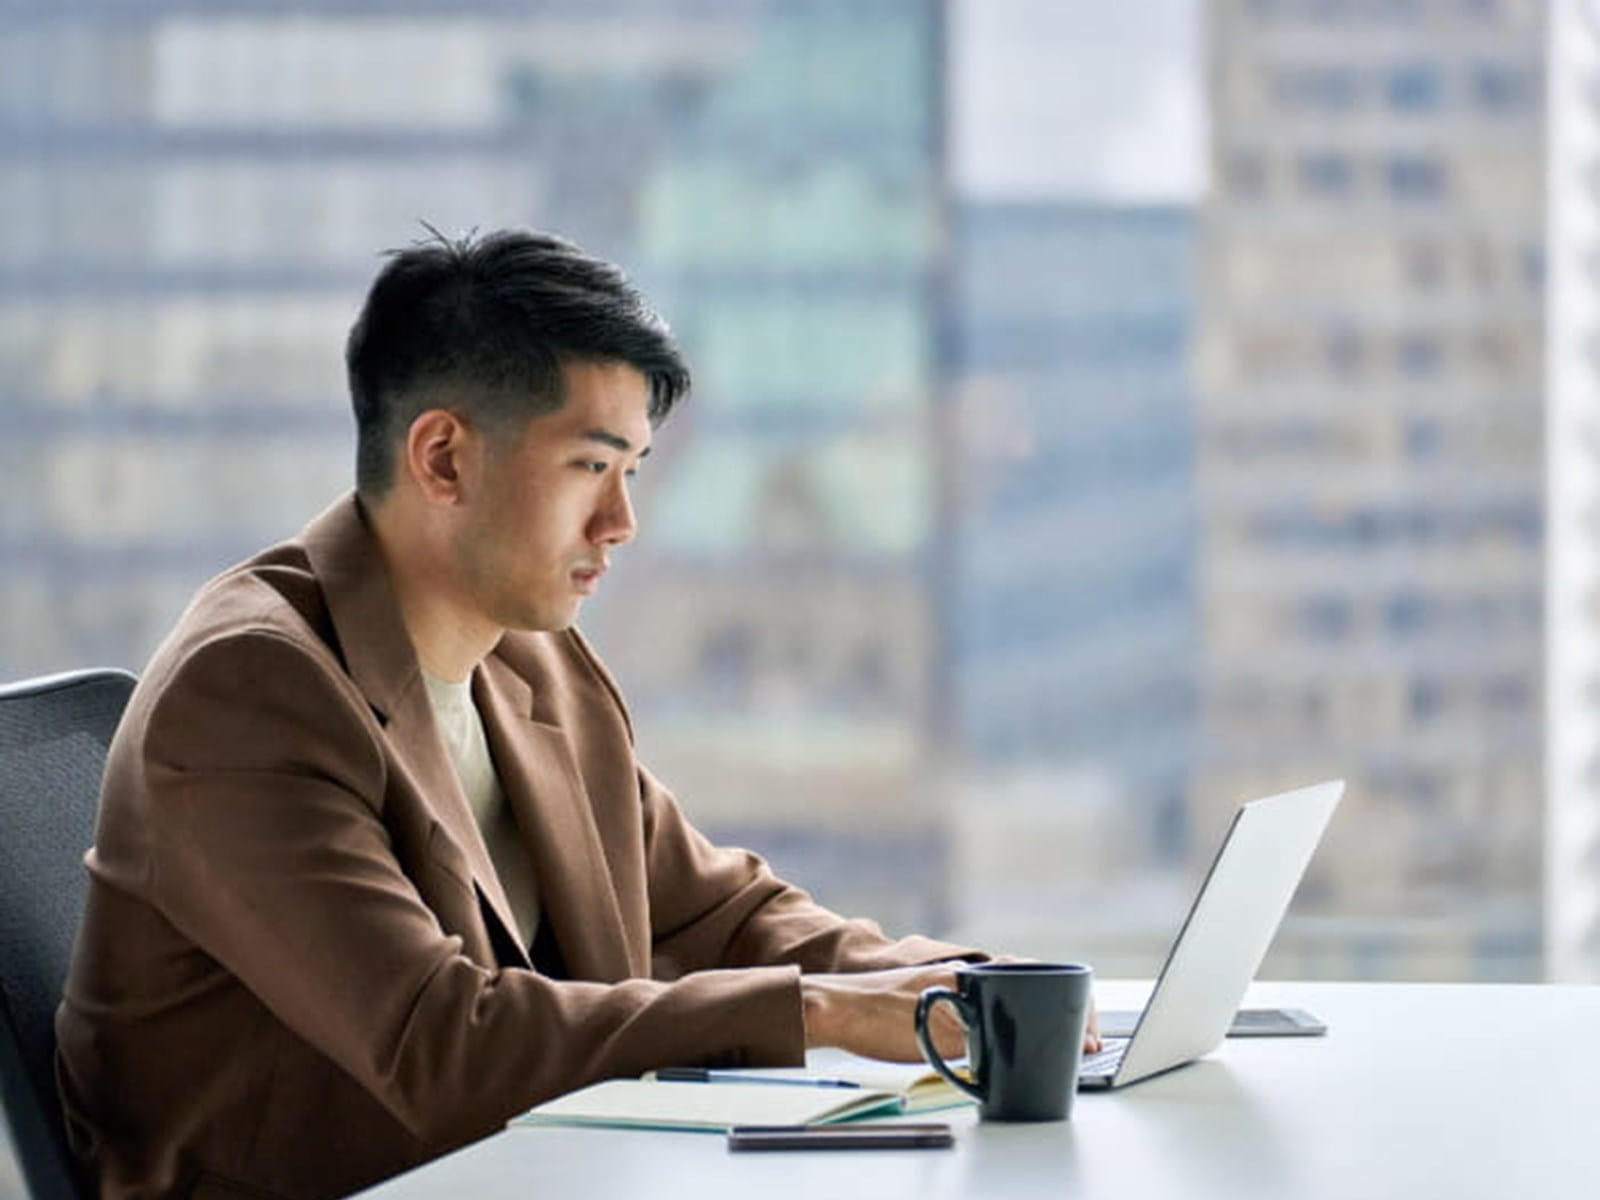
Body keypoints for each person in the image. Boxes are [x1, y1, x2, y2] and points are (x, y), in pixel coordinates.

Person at [55, 229, 1096, 1200]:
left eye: (632, 471)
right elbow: (437, 1039)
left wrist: (926, 980)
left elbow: (706, 911)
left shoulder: (533, 661)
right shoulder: (251, 690)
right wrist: (819, 1012)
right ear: (444, 459)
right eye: (591, 467)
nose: (623, 521)